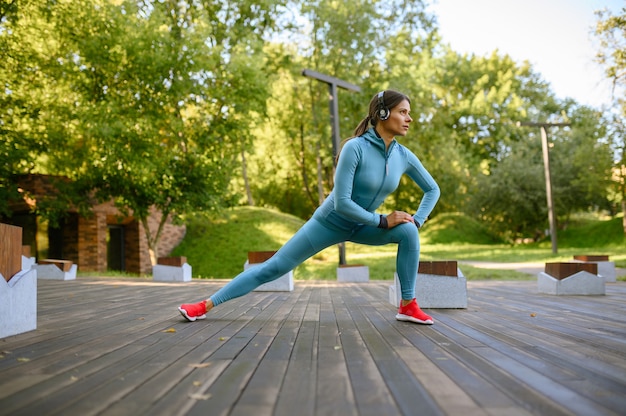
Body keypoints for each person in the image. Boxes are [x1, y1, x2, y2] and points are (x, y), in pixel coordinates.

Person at [178, 89, 440, 324]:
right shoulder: (355, 148)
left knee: (408, 232)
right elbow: (342, 203)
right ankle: (204, 305)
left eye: (409, 113)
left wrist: (417, 220)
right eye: (403, 112)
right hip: (329, 223)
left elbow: (432, 189)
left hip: (364, 226)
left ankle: (408, 306)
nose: (409, 118)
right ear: (383, 113)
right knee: (274, 267)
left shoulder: (403, 156)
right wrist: (383, 220)